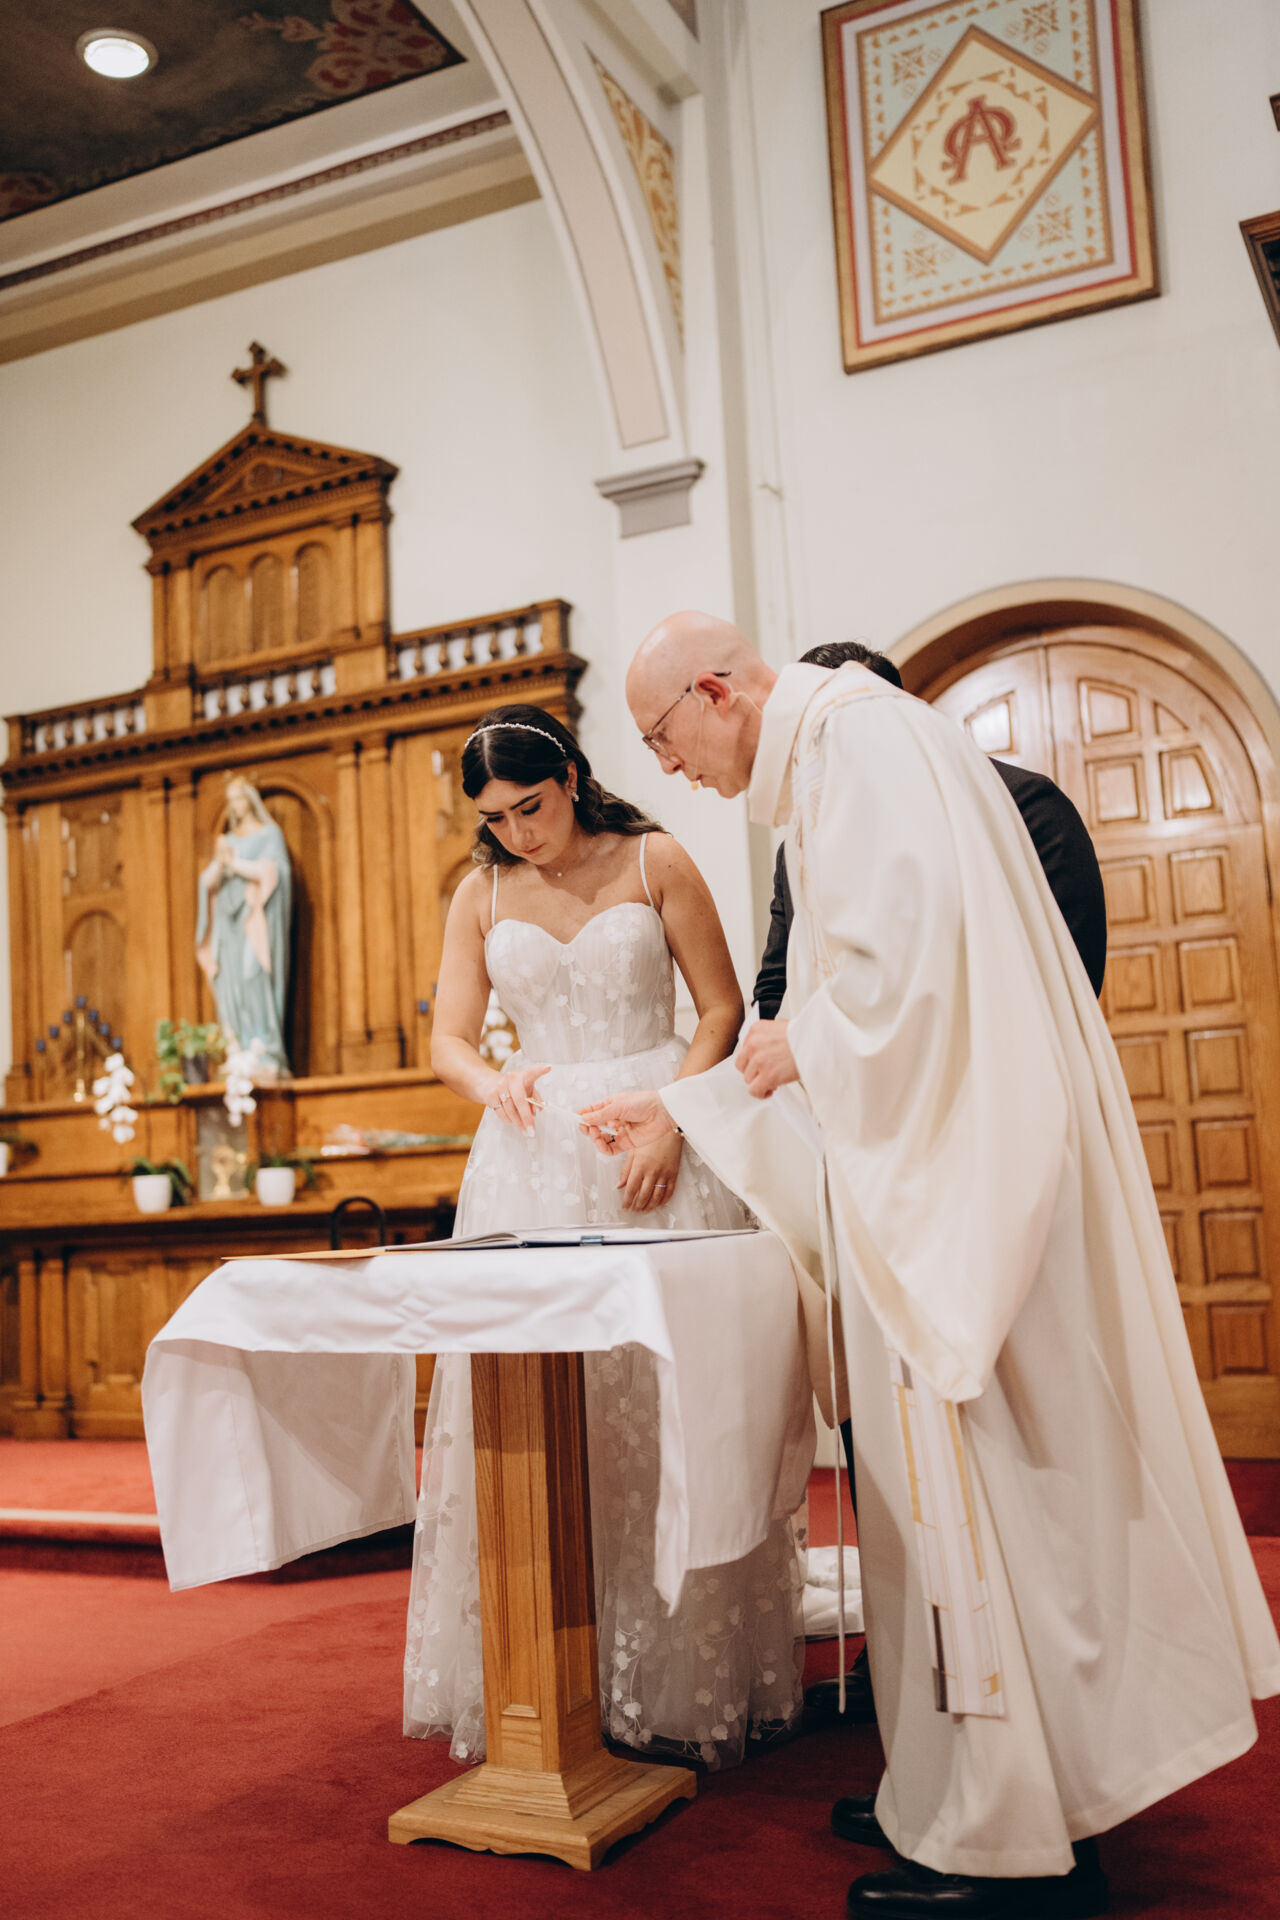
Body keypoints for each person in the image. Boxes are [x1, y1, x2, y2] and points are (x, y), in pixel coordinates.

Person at [580, 614, 1280, 1919]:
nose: (668, 769)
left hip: (954, 1195)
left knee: (984, 1505)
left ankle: (1015, 1845)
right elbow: (868, 983)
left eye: (664, 738)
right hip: (919, 1173)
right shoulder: (837, 758)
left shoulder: (859, 748)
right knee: (932, 1519)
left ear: (717, 692)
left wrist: (803, 1047)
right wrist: (685, 1101)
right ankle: (949, 1788)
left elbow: (927, 983)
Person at [403, 703, 804, 1770]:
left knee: (663, 1404)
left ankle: (677, 1680)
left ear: (572, 778)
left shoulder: (654, 858)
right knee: (549, 1412)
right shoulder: (481, 892)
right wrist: (492, 1084)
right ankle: (549, 1676)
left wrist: (674, 1117)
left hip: (657, 1134)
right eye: (494, 818)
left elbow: (719, 1009)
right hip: (531, 1158)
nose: (516, 833)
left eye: (529, 808)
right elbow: (448, 1038)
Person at [756, 642, 1108, 1734]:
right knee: (888, 1444)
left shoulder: (1023, 806)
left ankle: (1031, 1693)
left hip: (983, 1164)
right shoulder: (810, 826)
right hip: (869, 1172)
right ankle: (918, 1671)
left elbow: (1059, 993)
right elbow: (781, 983)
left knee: (1005, 1439)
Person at [195, 774, 292, 1075]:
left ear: (249, 800)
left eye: (238, 798)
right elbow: (207, 881)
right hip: (229, 922)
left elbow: (275, 873)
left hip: (254, 917)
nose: (234, 806)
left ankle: (264, 1047)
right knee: (231, 984)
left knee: (253, 975)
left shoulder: (268, 835)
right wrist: (221, 862)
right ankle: (238, 1047)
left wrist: (233, 864)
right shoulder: (229, 841)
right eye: (230, 800)